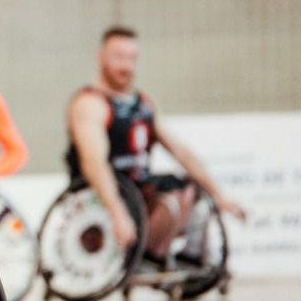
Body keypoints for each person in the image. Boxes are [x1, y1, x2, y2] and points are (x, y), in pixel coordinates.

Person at [66, 26, 246, 259]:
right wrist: (117, 212)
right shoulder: (90, 103)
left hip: (139, 191)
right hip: (102, 196)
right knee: (170, 202)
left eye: (132, 58)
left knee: (188, 188)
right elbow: (94, 163)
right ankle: (141, 254)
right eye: (118, 57)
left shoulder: (143, 104)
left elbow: (181, 152)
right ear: (100, 58)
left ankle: (187, 256)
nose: (126, 66)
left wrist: (219, 195)